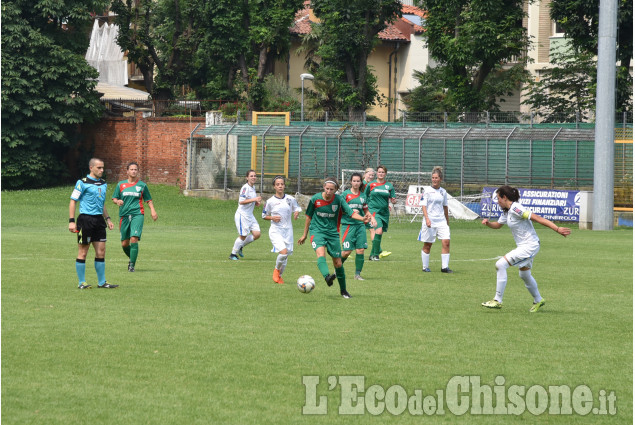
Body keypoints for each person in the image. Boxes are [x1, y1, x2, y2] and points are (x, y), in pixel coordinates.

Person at [481, 185, 571, 312]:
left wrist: (557, 229)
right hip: (526, 246)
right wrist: (488, 223)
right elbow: (498, 225)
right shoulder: (506, 211)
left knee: (500, 265)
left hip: (529, 246)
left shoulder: (516, 208)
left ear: (504, 197)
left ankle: (497, 300)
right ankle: (538, 300)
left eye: (498, 198)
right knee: (524, 274)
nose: (497, 201)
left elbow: (537, 218)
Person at [298, 177, 370, 299]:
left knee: (338, 262)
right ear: (323, 188)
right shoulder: (315, 199)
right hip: (317, 231)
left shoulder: (339, 200)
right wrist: (305, 234)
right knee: (321, 254)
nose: (328, 191)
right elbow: (308, 217)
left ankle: (343, 291)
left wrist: (362, 218)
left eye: (331, 189)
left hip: (333, 233)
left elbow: (351, 213)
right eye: (327, 189)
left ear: (336, 189)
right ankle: (327, 276)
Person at [68, 158, 118, 289]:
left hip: (99, 221)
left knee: (101, 252)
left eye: (102, 168)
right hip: (85, 220)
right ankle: (81, 283)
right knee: (83, 252)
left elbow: (101, 204)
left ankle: (102, 282)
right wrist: (71, 221)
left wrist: (107, 219)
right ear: (91, 168)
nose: (102, 170)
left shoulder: (103, 183)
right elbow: (73, 201)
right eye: (99, 168)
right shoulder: (82, 183)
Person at [112, 162, 158, 272]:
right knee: (124, 243)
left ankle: (132, 265)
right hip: (124, 215)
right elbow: (114, 198)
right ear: (127, 171)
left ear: (137, 171)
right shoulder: (121, 185)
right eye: (131, 169)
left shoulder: (142, 185)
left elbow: (148, 200)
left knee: (134, 238)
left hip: (138, 214)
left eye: (135, 169)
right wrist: (117, 201)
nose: (133, 171)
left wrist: (153, 211)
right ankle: (132, 257)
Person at [262, 176, 302, 284]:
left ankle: (279, 276)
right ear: (274, 187)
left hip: (288, 231)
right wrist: (272, 217)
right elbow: (263, 215)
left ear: (284, 186)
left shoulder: (290, 199)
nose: (280, 186)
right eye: (278, 184)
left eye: (282, 184)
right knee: (283, 253)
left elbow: (297, 208)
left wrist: (296, 212)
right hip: (275, 231)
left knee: (286, 256)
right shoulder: (270, 201)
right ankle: (276, 271)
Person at [341, 173, 376, 280]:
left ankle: (357, 274)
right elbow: (340, 209)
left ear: (361, 182)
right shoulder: (345, 195)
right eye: (354, 181)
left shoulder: (363, 196)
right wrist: (350, 212)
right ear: (351, 182)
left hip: (360, 225)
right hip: (348, 225)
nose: (356, 183)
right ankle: (337, 267)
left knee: (360, 250)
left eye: (358, 181)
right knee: (347, 251)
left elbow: (365, 209)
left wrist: (372, 218)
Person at [418, 167, 453, 273]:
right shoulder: (427, 191)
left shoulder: (443, 192)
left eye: (436, 178)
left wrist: (447, 221)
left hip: (441, 221)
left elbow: (445, 206)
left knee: (446, 242)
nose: (434, 179)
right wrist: (427, 219)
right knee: (428, 245)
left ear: (440, 179)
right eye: (433, 178)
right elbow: (423, 205)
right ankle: (425, 267)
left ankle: (444, 267)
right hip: (430, 221)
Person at [364, 165, 396, 261]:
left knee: (380, 233)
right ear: (377, 173)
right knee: (378, 230)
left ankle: (372, 255)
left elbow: (393, 198)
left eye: (382, 172)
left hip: (384, 212)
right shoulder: (371, 184)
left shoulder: (389, 186)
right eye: (379, 172)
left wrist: (393, 201)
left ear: (385, 174)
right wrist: (365, 209)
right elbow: (364, 196)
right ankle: (375, 255)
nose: (381, 173)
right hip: (374, 212)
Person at [229, 170, 262, 260]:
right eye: (251, 176)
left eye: (255, 176)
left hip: (250, 215)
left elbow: (250, 200)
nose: (253, 177)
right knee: (243, 236)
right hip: (242, 215)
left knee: (257, 234)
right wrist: (254, 199)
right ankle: (233, 254)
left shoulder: (253, 187)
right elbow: (241, 201)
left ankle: (240, 246)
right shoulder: (245, 188)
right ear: (247, 178)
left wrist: (256, 203)